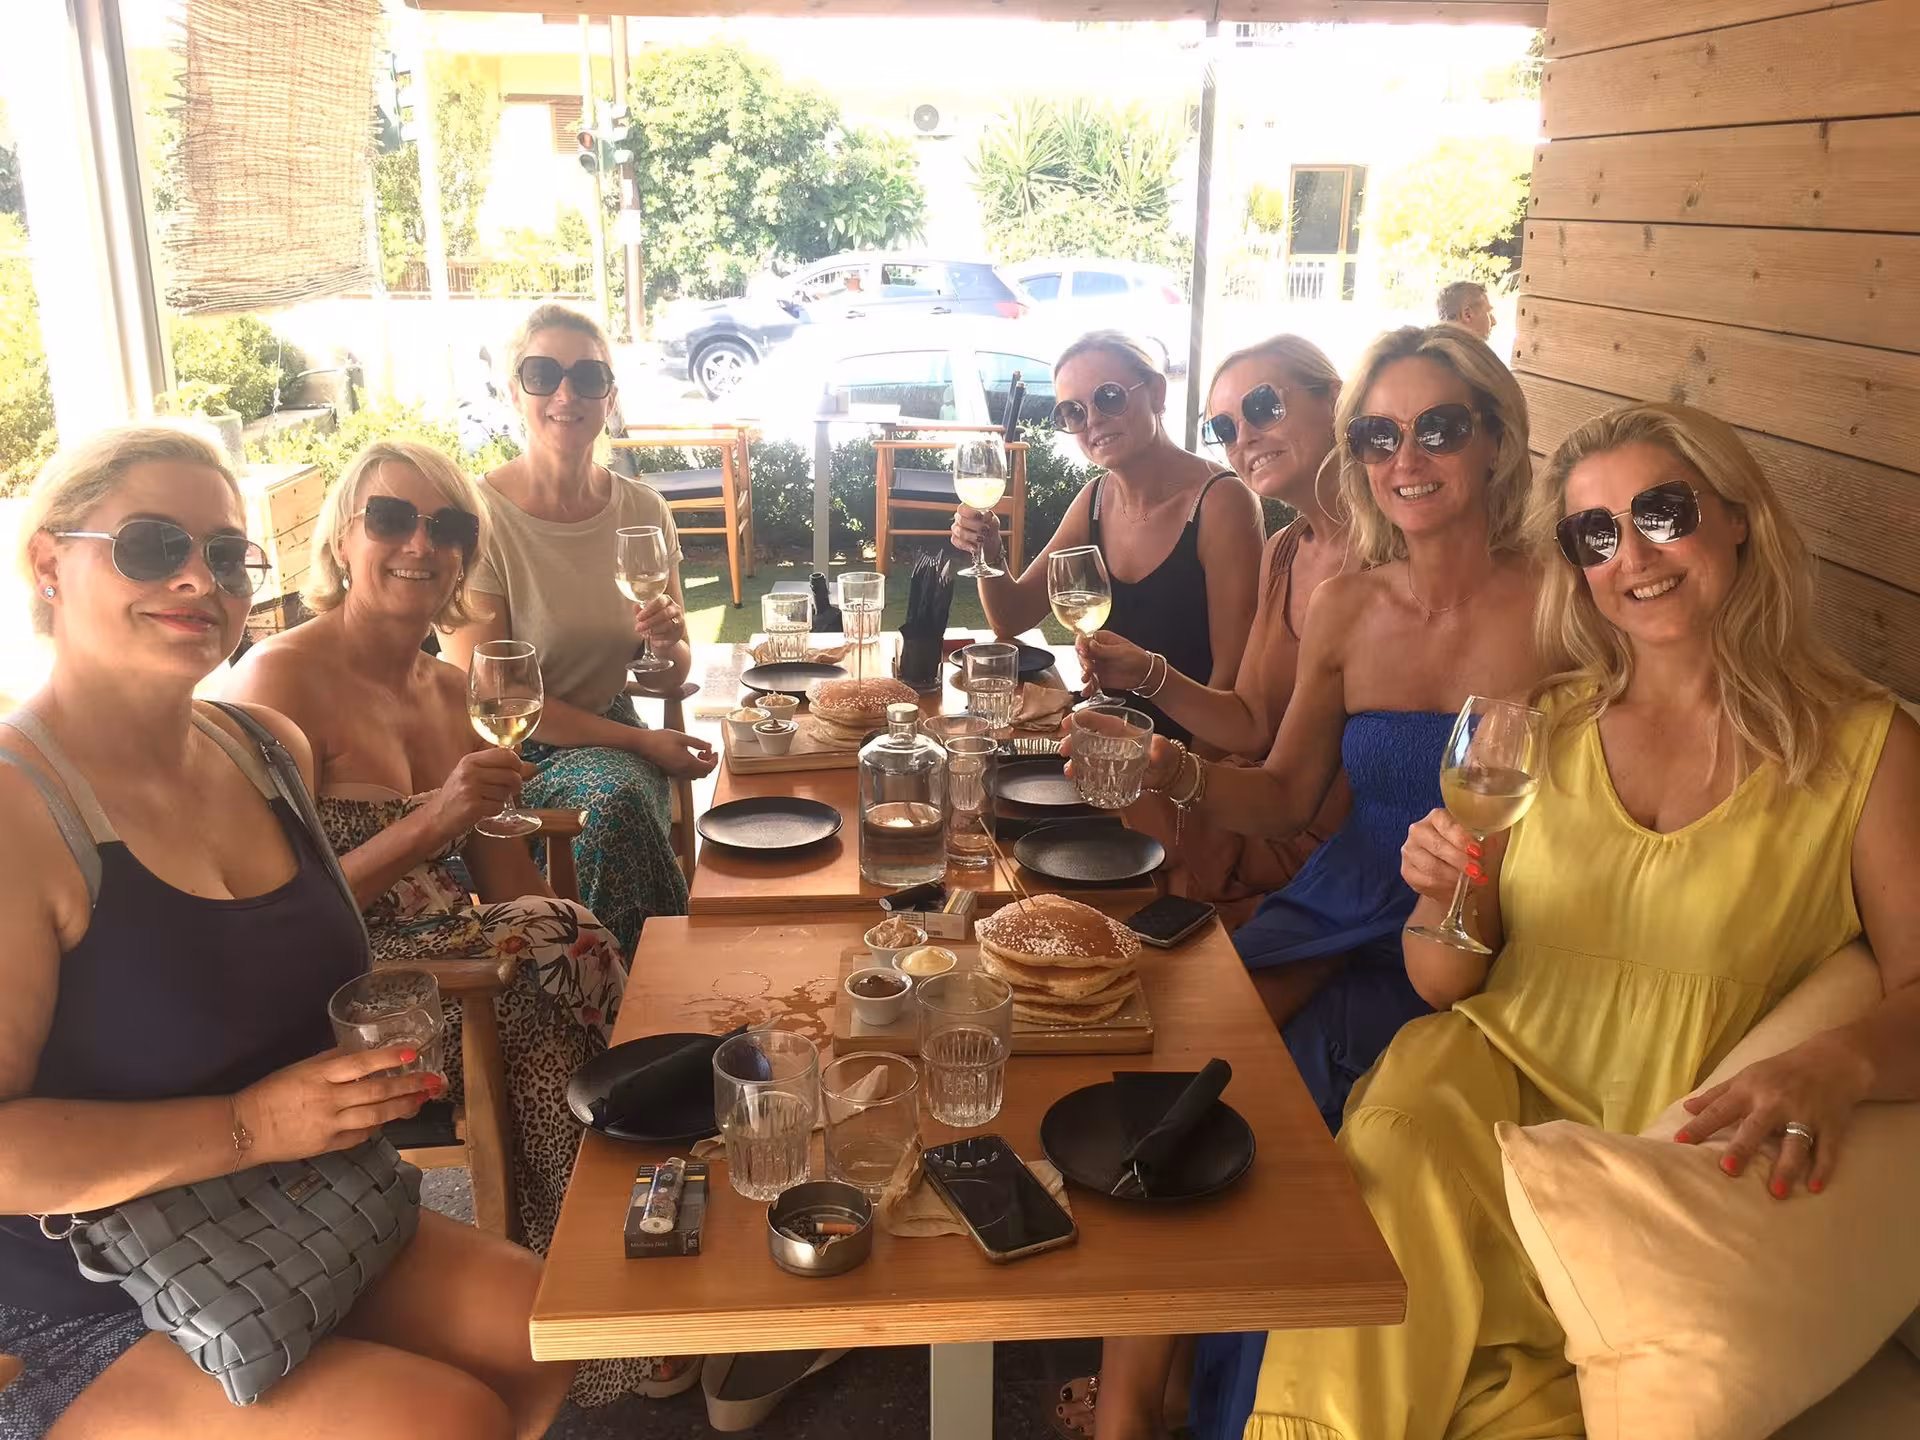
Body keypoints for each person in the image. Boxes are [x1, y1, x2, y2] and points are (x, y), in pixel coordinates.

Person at [1157, 403, 1920, 1440]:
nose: (1631, 557)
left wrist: (1842, 1061)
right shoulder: (1545, 726)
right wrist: (1445, 896)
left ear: (1738, 516)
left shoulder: (1864, 749)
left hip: (1654, 1152)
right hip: (1472, 1107)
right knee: (1372, 1221)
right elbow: (1444, 981)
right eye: (1594, 534)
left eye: (1661, 513)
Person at [0, 426, 571, 1439]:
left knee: (544, 1328)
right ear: (49, 563)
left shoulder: (263, 748)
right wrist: (249, 1125)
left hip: (299, 1214)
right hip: (87, 1296)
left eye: (226, 555)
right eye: (150, 545)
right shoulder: (20, 811)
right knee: (440, 1421)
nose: (197, 579)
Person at [224, 439, 692, 1407]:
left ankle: (649, 1239)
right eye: (392, 520)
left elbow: (504, 882)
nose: (420, 545)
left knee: (585, 956)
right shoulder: (276, 688)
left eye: (447, 528)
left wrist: (557, 922)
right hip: (340, 992)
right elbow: (268, 928)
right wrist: (431, 825)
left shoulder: (454, 693)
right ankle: (590, 1311)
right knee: (547, 1011)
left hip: (462, 955)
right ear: (343, 540)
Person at [443, 303, 716, 959]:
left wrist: (667, 642)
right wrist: (643, 743)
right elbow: (495, 699)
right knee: (617, 801)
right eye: (544, 374)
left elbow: (671, 674)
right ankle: (636, 980)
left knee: (620, 794)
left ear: (609, 398)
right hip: (510, 754)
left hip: (609, 728)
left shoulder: (642, 509)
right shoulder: (479, 519)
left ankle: (651, 976)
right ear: (514, 392)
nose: (567, 393)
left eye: (588, 378)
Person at [1075, 335, 1355, 924]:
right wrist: (1147, 673)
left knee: (1115, 883)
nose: (1243, 436)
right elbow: (1250, 723)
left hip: (1329, 858)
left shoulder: (1391, 561)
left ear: (1334, 399)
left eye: (1263, 407)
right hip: (1260, 811)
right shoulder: (1284, 551)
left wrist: (1177, 770)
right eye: (1223, 428)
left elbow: (1287, 790)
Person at [949, 330, 1265, 746]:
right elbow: (1012, 617)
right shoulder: (1095, 500)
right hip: (1103, 743)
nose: (1093, 420)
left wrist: (1187, 777)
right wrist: (989, 550)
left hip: (1183, 753)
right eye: (1073, 412)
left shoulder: (1221, 503)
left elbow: (1232, 681)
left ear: (1156, 393)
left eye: (1109, 397)